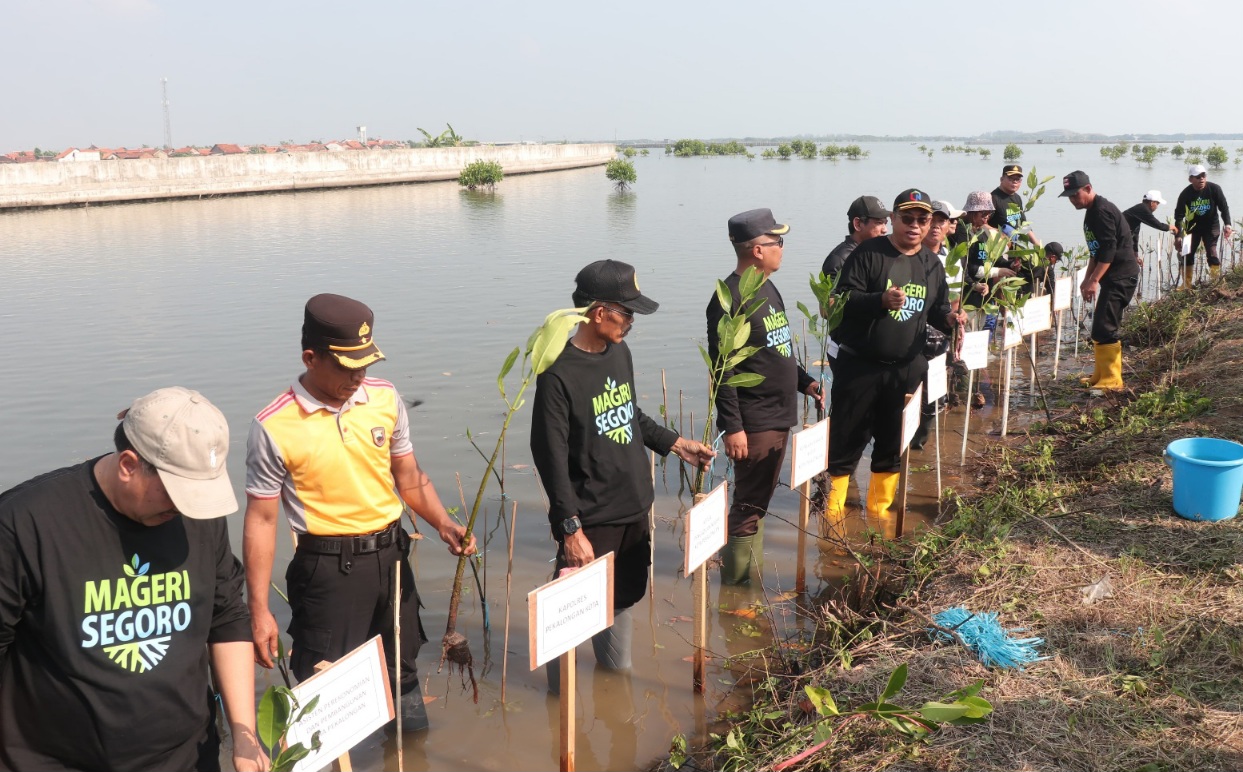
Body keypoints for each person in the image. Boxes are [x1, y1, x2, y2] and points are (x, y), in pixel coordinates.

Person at [243, 293, 475, 733]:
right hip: (328, 568)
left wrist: (443, 523)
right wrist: (258, 608)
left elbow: (408, 477)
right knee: (322, 688)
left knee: (402, 672)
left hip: (391, 558)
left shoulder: (384, 398)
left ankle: (406, 754)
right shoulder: (273, 425)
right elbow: (262, 521)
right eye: (347, 367)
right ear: (311, 358)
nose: (359, 377)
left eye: (365, 365)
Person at [0, 387, 263, 772]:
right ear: (128, 465)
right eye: (178, 493)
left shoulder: (198, 515)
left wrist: (244, 734)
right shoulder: (25, 523)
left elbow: (226, 619)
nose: (184, 508)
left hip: (188, 758)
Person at [530, 259, 715, 690]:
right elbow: (549, 454)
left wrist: (675, 443)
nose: (632, 322)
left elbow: (629, 414)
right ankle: (559, 701)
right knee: (569, 612)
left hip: (634, 505)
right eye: (626, 312)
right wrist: (570, 527)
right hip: (592, 516)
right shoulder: (558, 371)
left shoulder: (619, 352)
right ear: (599, 313)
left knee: (621, 598)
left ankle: (616, 688)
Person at [826, 190, 963, 536]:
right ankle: (832, 519)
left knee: (891, 444)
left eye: (922, 219)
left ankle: (879, 516)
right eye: (907, 218)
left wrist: (950, 318)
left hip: (906, 369)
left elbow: (938, 308)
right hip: (861, 367)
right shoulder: (868, 254)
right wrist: (879, 300)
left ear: (931, 223)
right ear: (895, 219)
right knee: (845, 443)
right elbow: (841, 300)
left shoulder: (932, 264)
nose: (915, 226)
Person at [707, 208, 824, 583]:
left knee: (758, 503)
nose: (782, 249)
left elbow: (778, 348)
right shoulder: (730, 299)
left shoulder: (766, 287)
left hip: (778, 412)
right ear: (757, 250)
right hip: (755, 420)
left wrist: (804, 380)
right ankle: (737, 594)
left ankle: (746, 583)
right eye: (778, 242)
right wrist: (734, 427)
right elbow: (721, 370)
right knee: (747, 506)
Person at [1061, 170, 1140, 392]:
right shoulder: (1091, 211)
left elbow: (1109, 250)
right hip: (1112, 276)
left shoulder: (1102, 211)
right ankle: (1101, 374)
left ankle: (1113, 380)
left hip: (1122, 276)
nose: (1072, 200)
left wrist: (1095, 280)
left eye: (1075, 195)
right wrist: (1087, 279)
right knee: (1100, 326)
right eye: (1068, 196)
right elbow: (1095, 252)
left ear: (1088, 188)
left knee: (1105, 327)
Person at [1174, 164, 1232, 285]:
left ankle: (1216, 282)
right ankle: (1187, 284)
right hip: (1192, 228)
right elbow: (1179, 215)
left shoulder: (1214, 189)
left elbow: (1224, 207)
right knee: (1187, 254)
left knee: (1212, 252)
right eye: (1197, 177)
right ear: (1190, 179)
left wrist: (1228, 224)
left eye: (1203, 175)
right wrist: (1178, 235)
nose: (1201, 179)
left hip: (1211, 226)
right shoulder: (1185, 194)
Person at [961, 190, 1016, 311]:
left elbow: (993, 258)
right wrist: (998, 272)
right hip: (968, 294)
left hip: (984, 294)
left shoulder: (983, 233)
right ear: (972, 212)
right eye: (984, 213)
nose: (987, 217)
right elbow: (968, 268)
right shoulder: (963, 234)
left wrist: (1010, 264)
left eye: (990, 213)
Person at [822, 195, 890, 277]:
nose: (885, 230)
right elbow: (834, 289)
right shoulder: (839, 260)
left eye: (885, 223)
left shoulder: (876, 254)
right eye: (879, 223)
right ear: (858, 224)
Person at [1123, 190, 1176, 258]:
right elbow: (1158, 225)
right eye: (1157, 203)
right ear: (1152, 203)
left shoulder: (1139, 210)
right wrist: (1172, 227)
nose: (1157, 207)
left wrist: (1135, 254)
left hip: (1121, 239)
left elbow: (1135, 233)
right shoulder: (1142, 209)